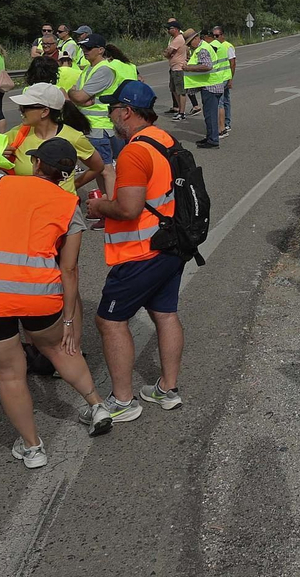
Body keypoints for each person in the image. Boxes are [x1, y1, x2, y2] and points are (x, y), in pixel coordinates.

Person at [0, 136, 116, 467]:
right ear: (66, 175)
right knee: (59, 349)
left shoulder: (3, 187)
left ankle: (33, 447)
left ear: (38, 164)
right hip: (40, 294)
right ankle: (96, 405)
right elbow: (68, 269)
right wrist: (69, 319)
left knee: (10, 373)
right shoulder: (69, 205)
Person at [85, 80, 185, 419]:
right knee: (165, 314)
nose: (110, 114)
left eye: (113, 108)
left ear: (126, 111)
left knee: (110, 321)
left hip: (142, 252)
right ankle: (167, 390)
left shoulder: (133, 151)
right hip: (174, 241)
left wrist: (99, 208)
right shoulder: (165, 139)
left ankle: (123, 402)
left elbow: (128, 209)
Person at [2, 83, 104, 194]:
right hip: (29, 206)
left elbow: (97, 167)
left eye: (25, 107)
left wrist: (73, 186)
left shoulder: (74, 137)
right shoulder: (16, 134)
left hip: (63, 207)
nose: (21, 111)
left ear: (45, 111)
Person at [68, 35, 139, 185]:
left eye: (88, 48)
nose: (84, 51)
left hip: (100, 126)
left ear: (100, 50)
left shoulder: (104, 70)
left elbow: (79, 96)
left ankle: (112, 202)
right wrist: (74, 93)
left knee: (106, 170)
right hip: (94, 125)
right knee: (103, 170)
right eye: (82, 48)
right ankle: (106, 200)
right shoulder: (89, 68)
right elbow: (77, 94)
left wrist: (72, 93)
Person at [181, 29, 223, 148]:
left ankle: (213, 140)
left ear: (196, 38)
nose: (189, 46)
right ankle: (210, 137)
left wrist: (188, 68)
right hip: (213, 84)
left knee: (210, 115)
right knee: (209, 114)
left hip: (210, 86)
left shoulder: (202, 49)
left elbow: (207, 66)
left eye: (189, 43)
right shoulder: (203, 46)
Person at [163, 19, 195, 121]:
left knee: (180, 91)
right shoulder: (174, 39)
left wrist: (168, 53)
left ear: (176, 29)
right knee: (173, 89)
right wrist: (168, 53)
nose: (168, 30)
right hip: (173, 67)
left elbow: (168, 52)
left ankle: (182, 112)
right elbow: (167, 53)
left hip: (178, 68)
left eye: (169, 28)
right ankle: (179, 110)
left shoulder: (178, 39)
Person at [209, 27, 236, 138]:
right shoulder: (214, 46)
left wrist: (230, 79)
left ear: (222, 35)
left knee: (222, 102)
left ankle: (225, 124)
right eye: (213, 35)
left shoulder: (227, 46)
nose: (215, 37)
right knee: (224, 100)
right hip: (220, 78)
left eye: (217, 35)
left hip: (224, 78)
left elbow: (232, 64)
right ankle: (225, 123)